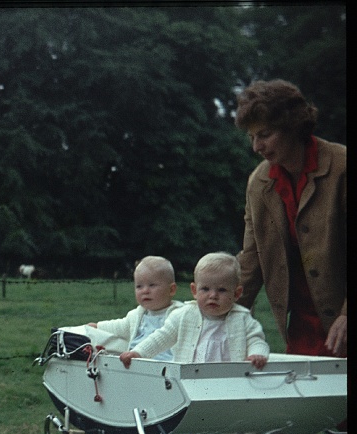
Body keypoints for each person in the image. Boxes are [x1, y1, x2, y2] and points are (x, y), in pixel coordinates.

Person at [234, 79, 346, 357]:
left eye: (265, 134)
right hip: (302, 328)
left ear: (292, 125)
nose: (256, 146)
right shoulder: (258, 183)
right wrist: (221, 316)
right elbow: (251, 259)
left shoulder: (342, 166)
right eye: (251, 137)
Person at [119, 252, 269, 369]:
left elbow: (256, 340)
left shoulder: (243, 319)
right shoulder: (184, 315)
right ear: (194, 291)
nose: (213, 295)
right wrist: (138, 352)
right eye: (205, 289)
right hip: (189, 378)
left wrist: (257, 354)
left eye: (222, 290)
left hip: (229, 379)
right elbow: (160, 338)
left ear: (236, 293)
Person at [88, 256, 184, 361]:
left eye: (152, 285)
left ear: (171, 290)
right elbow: (120, 327)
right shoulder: (137, 315)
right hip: (135, 363)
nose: (145, 291)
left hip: (167, 365)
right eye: (139, 286)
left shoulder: (180, 314)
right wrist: (98, 326)